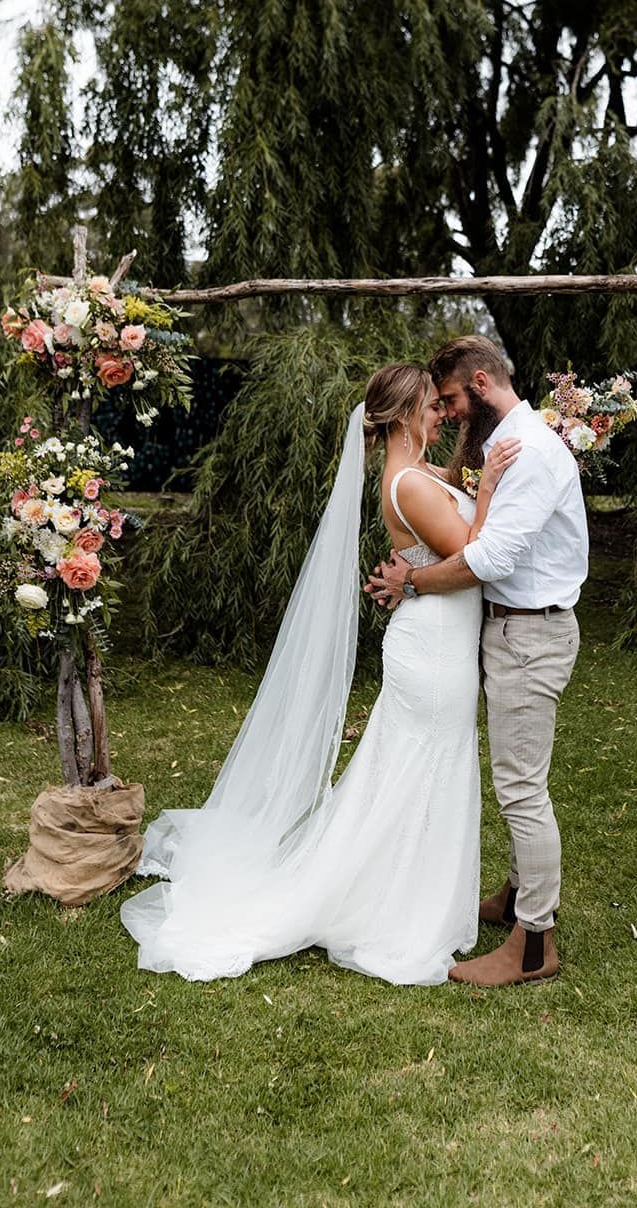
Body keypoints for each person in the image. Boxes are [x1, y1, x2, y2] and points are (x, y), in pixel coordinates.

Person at [120, 363, 518, 986]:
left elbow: (455, 497)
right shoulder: (407, 484)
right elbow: (473, 551)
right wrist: (490, 486)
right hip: (434, 650)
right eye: (433, 407)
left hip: (438, 640)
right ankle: (394, 909)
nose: (443, 414)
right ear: (406, 413)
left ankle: (403, 894)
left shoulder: (419, 475)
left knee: (416, 773)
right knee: (420, 773)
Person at [367, 336, 589, 987]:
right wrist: (414, 559)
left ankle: (532, 943)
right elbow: (440, 504)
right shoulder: (500, 448)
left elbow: (485, 558)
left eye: (454, 400)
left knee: (521, 787)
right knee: (515, 779)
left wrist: (411, 582)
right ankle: (517, 899)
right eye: (438, 406)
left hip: (531, 635)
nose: (449, 413)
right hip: (501, 633)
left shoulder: (529, 454)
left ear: (485, 383)